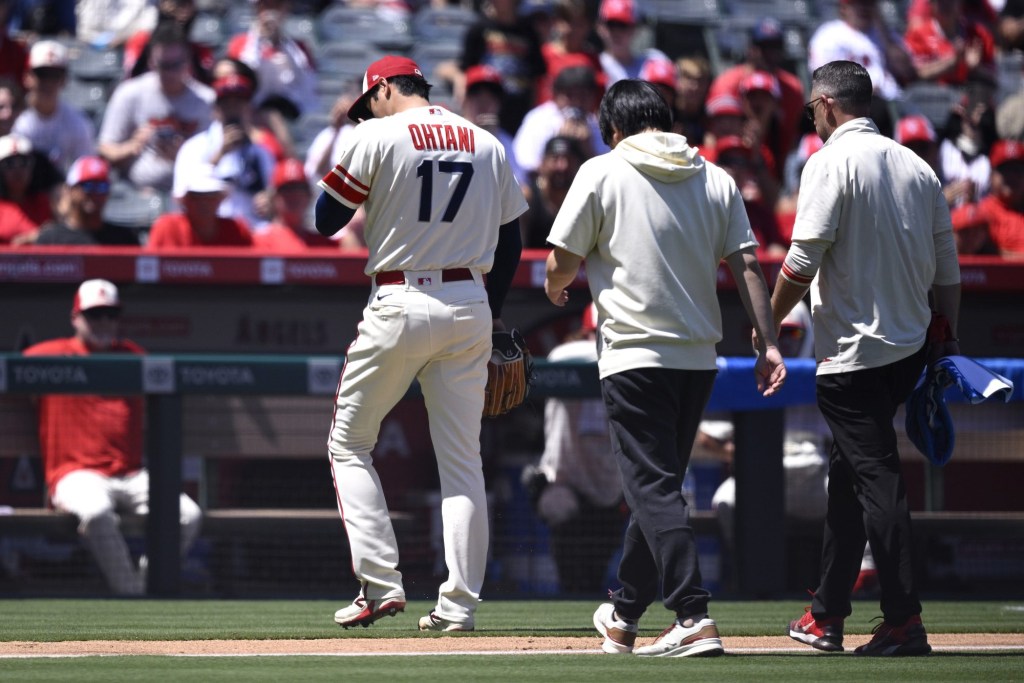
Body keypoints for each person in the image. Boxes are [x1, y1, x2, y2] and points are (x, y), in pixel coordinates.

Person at [544, 79, 785, 657]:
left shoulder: (601, 171)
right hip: (699, 358)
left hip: (632, 356)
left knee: (652, 489)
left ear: (614, 130)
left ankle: (693, 615)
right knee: (660, 488)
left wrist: (556, 290)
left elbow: (562, 260)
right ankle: (625, 613)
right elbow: (748, 266)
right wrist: (768, 341)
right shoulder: (717, 176)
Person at [313, 55, 527, 633]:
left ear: (383, 89)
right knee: (463, 464)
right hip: (471, 303)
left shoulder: (378, 133)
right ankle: (458, 608)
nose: (365, 112)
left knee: (349, 443)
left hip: (401, 298)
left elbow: (325, 220)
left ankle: (380, 583)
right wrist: (495, 313)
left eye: (367, 102)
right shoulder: (485, 141)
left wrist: (350, 140)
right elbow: (512, 243)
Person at [771, 60, 960, 656]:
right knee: (848, 481)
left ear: (826, 104)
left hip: (854, 357)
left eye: (810, 109)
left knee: (876, 484)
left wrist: (766, 323)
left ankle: (904, 619)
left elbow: (801, 262)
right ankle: (825, 614)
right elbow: (948, 274)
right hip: (907, 351)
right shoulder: (917, 165)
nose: (812, 119)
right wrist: (946, 339)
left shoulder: (828, 161)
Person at [22, 279, 202, 596]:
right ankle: (133, 595)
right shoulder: (51, 356)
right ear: (75, 317)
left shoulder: (133, 357)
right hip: (76, 474)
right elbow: (16, 373)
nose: (104, 322)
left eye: (110, 314)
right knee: (96, 513)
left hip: (130, 474)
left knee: (188, 514)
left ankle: (148, 585)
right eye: (94, 314)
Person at [525, 303, 625, 596]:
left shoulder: (625, 365)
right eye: (597, 334)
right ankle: (566, 595)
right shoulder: (566, 356)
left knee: (596, 567)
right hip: (563, 481)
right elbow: (569, 355)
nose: (602, 340)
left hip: (608, 489)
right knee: (562, 512)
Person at [97, 23, 215, 194]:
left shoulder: (207, 100)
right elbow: (105, 149)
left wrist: (184, 155)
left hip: (192, 194)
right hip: (136, 193)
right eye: (163, 66)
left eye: (176, 65)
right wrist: (132, 146)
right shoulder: (130, 93)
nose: (170, 73)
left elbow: (216, 160)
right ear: (152, 62)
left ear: (188, 61)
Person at [171, 71, 275, 230]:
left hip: (251, 234)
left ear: (248, 109)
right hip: (208, 234)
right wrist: (219, 155)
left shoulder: (261, 154)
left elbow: (273, 199)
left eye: (238, 104)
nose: (233, 110)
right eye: (227, 104)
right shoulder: (194, 147)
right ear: (216, 109)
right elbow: (181, 196)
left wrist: (269, 202)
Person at [707, 17, 805, 162]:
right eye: (764, 47)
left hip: (771, 164)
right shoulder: (727, 83)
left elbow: (789, 140)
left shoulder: (792, 88)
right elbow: (713, 135)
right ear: (751, 48)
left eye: (775, 47)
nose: (770, 53)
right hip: (729, 161)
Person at [512, 60, 608, 178]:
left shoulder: (596, 124)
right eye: (570, 95)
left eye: (583, 96)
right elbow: (525, 165)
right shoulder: (539, 118)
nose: (576, 102)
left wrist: (587, 148)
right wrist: (559, 144)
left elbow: (606, 172)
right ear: (556, 95)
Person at [13, 39, 96, 173]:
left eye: (54, 75)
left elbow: (85, 170)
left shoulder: (78, 122)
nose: (48, 82)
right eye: (42, 74)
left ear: (64, 80)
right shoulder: (12, 115)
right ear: (27, 77)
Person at [808, 0, 915, 103]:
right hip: (853, 104)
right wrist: (861, 89)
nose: (864, 8)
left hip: (894, 101)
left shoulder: (886, 34)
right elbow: (823, 77)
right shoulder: (829, 34)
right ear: (844, 8)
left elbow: (907, 71)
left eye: (869, 3)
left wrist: (883, 31)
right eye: (858, 4)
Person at [31, 155, 139, 246]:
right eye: (88, 186)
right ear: (70, 190)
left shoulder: (124, 239)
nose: (95, 193)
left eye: (102, 186)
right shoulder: (51, 239)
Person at [951, 139, 1024, 258]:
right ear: (991, 175)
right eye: (1004, 170)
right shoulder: (980, 213)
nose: (1011, 176)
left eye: (1017, 170)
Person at [147, 169, 253, 248]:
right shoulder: (166, 227)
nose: (203, 203)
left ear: (219, 199)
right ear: (185, 200)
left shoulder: (237, 230)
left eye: (210, 196)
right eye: (196, 196)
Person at [904, 0, 996, 87]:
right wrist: (954, 61)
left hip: (968, 95)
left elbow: (995, 77)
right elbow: (915, 74)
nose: (946, 5)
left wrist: (976, 69)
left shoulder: (979, 35)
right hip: (931, 98)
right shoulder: (917, 36)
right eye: (941, 1)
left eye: (951, 0)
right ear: (932, 4)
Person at [122, 0, 215, 84]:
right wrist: (165, 18)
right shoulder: (141, 41)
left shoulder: (199, 49)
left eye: (186, 3)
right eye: (176, 3)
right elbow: (132, 78)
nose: (181, 10)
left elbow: (205, 84)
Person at [254, 157, 336, 251]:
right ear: (274, 197)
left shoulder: (321, 243)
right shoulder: (258, 240)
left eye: (300, 189)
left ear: (309, 195)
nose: (294, 196)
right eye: (286, 189)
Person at [520, 135, 585, 248]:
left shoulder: (584, 198)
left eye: (568, 159)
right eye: (555, 159)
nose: (562, 166)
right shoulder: (527, 198)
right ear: (543, 163)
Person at [595, 0, 669, 86]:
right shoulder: (594, 65)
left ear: (635, 28)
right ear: (599, 27)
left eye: (623, 25)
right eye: (611, 24)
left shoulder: (654, 61)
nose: (616, 32)